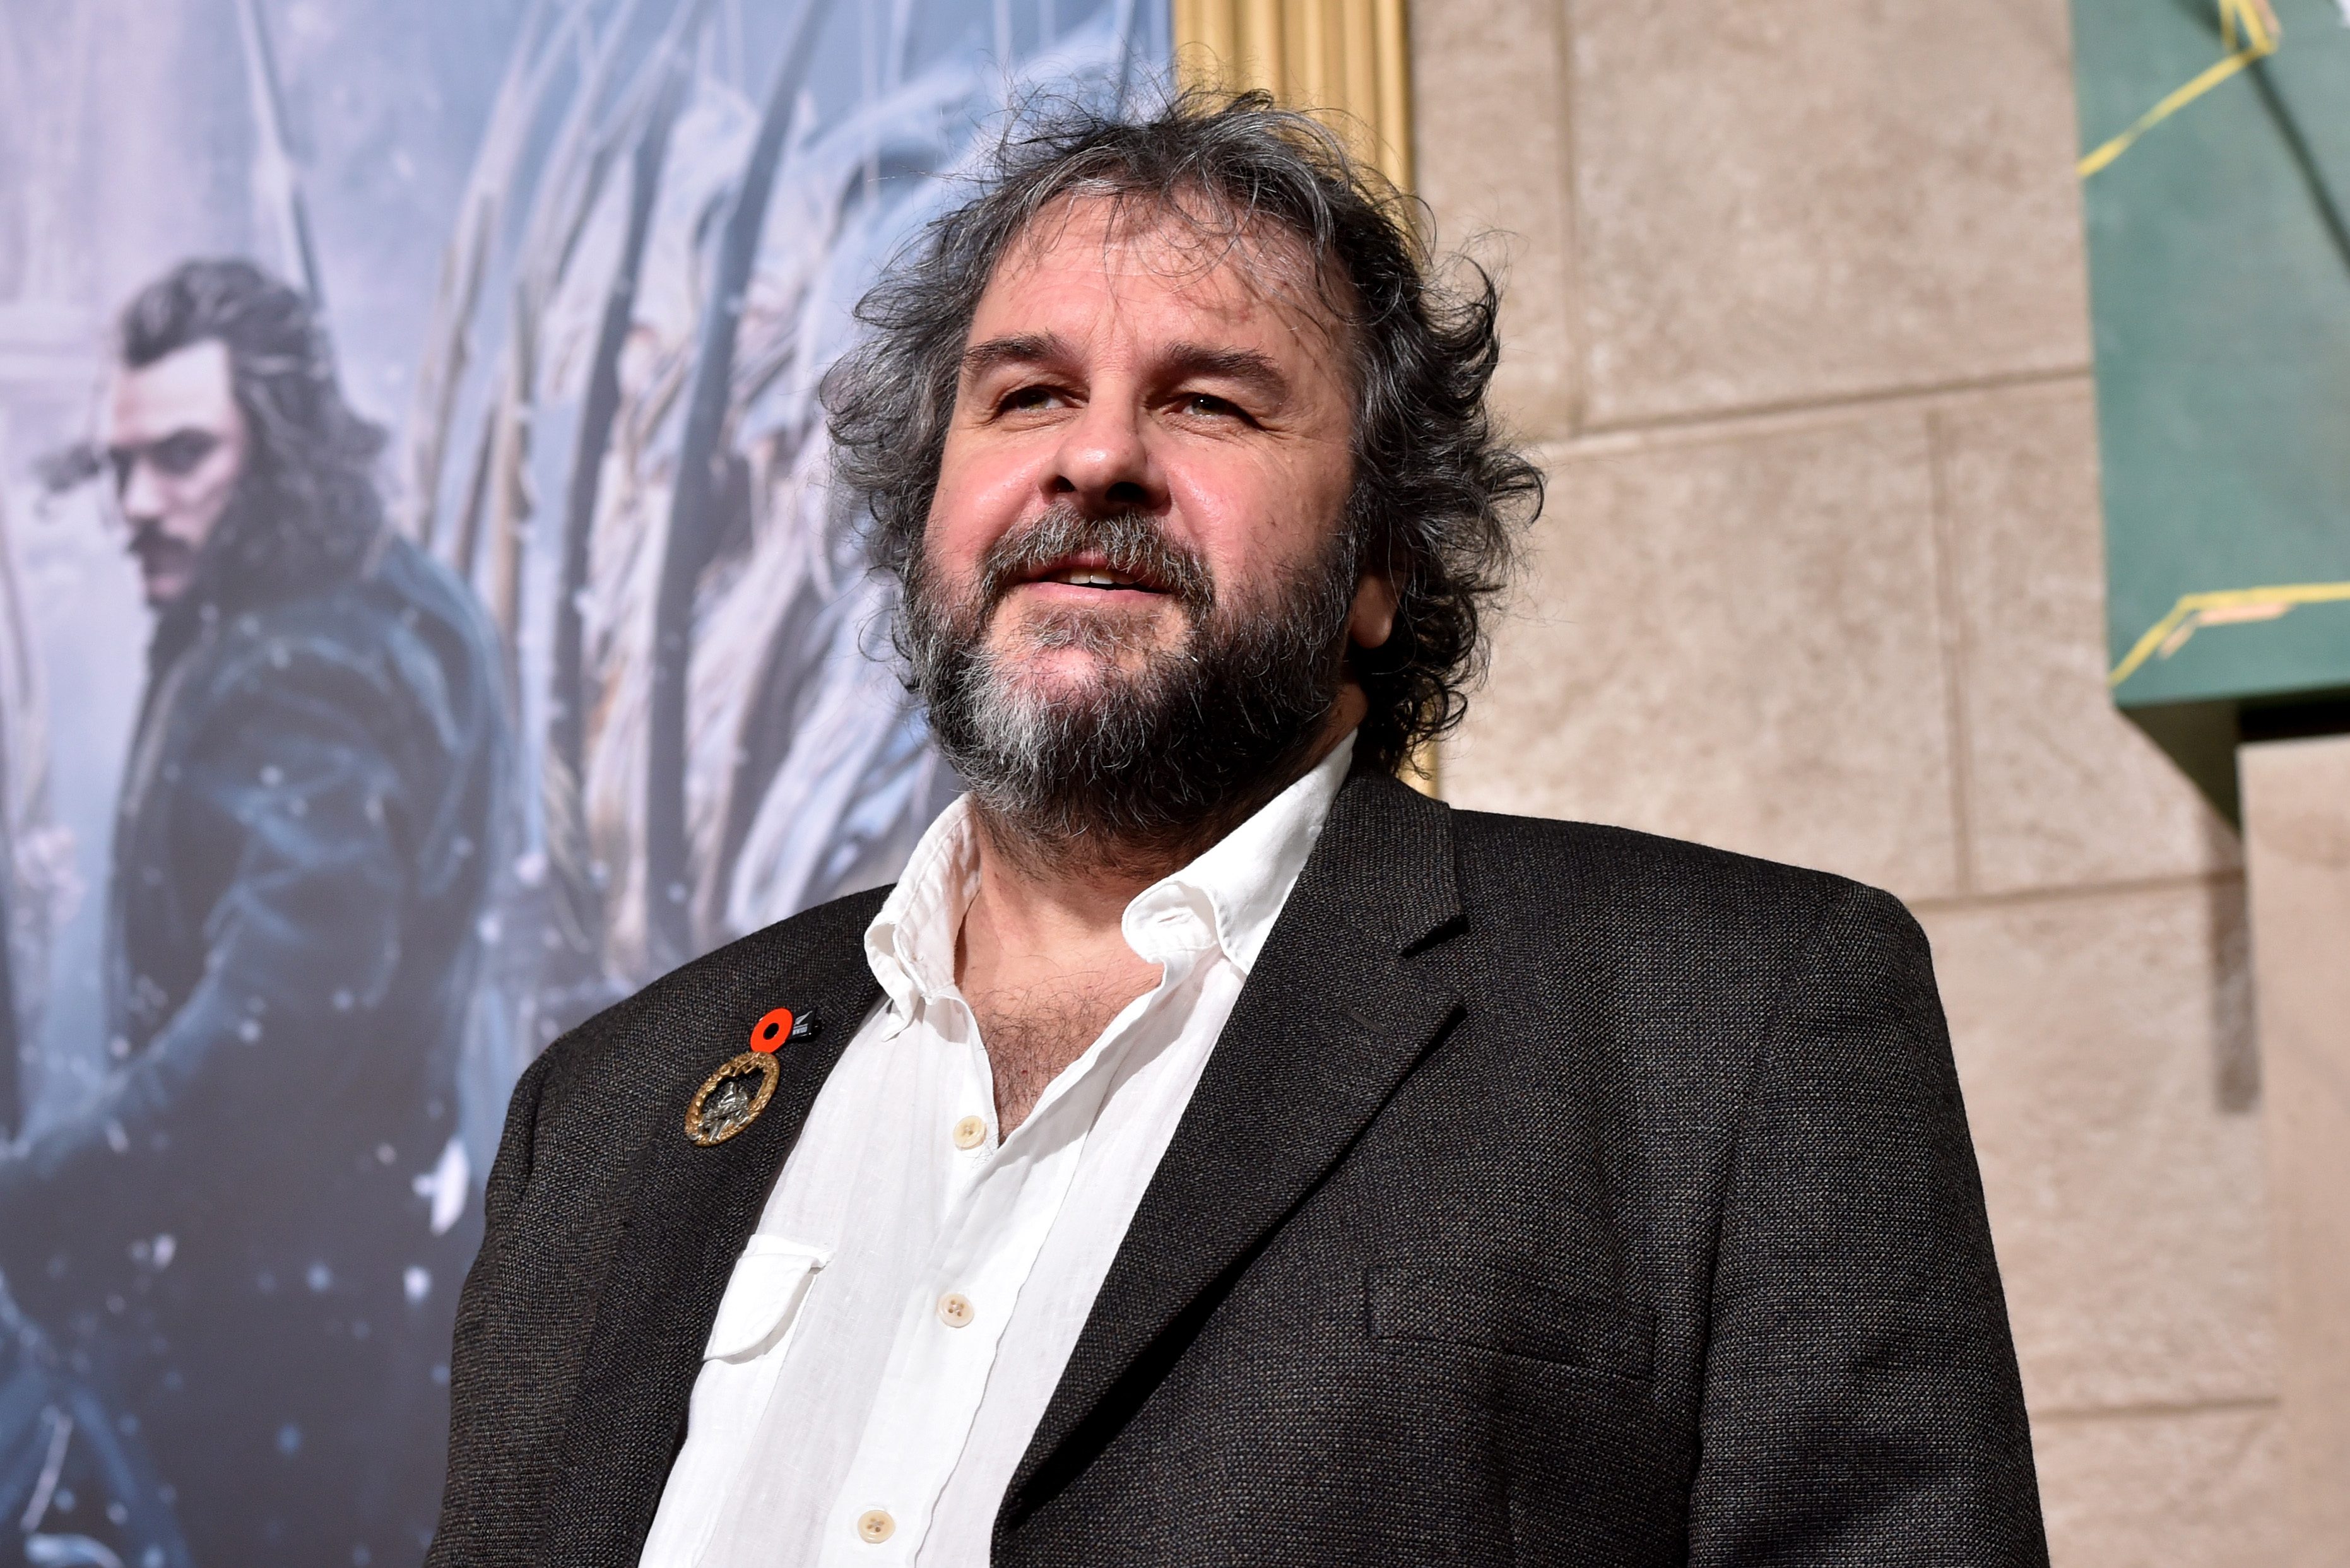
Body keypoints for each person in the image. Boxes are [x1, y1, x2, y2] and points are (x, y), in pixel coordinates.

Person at [430, 95, 2048, 1567]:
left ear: (1381, 565)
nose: (1096, 455)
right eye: (1025, 394)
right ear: (929, 508)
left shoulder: (1732, 1025)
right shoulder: (610, 1112)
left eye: (1207, 403)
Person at [0, 259, 508, 1566]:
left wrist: (55, 1201)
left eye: (180, 457)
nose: (135, 505)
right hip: (366, 1294)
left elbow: (279, 1024)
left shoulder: (297, 667)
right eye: (118, 465)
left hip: (272, 1331)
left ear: (276, 447)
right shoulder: (398, 594)